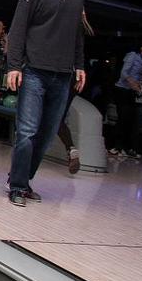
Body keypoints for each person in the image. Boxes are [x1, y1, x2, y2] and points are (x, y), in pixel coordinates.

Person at [4, 0, 87, 207]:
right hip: (34, 71)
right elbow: (18, 28)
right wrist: (14, 66)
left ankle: (22, 179)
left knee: (48, 134)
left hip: (63, 74)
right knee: (27, 131)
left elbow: (77, 32)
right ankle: (17, 186)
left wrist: (79, 65)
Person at [56, 11, 95, 174]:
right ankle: (71, 149)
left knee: (51, 116)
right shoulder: (84, 30)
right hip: (75, 77)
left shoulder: (68, 26)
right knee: (58, 118)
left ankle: (70, 149)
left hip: (62, 74)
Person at [108, 38, 142, 159]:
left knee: (129, 119)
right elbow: (124, 73)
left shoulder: (141, 58)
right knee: (123, 118)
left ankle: (123, 147)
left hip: (131, 91)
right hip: (123, 90)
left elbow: (138, 76)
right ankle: (115, 147)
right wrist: (132, 82)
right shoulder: (132, 55)